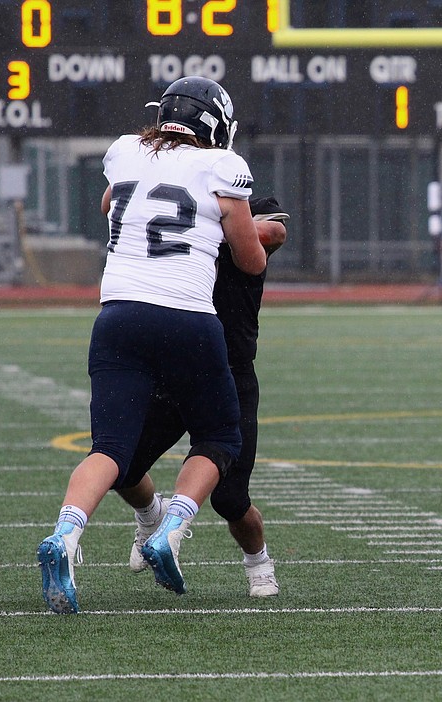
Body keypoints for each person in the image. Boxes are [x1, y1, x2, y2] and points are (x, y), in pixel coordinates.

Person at [35, 76, 270, 614]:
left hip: (117, 315)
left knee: (109, 449)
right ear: (217, 126)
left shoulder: (123, 152)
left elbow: (108, 205)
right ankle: (171, 529)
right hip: (187, 318)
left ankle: (65, 537)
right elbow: (250, 260)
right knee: (218, 436)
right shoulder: (223, 167)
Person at [114, 196, 289, 598]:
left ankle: (258, 560)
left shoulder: (230, 212)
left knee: (230, 499)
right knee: (120, 465)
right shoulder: (183, 224)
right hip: (176, 370)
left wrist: (202, 225)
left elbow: (274, 230)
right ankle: (149, 515)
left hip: (231, 375)